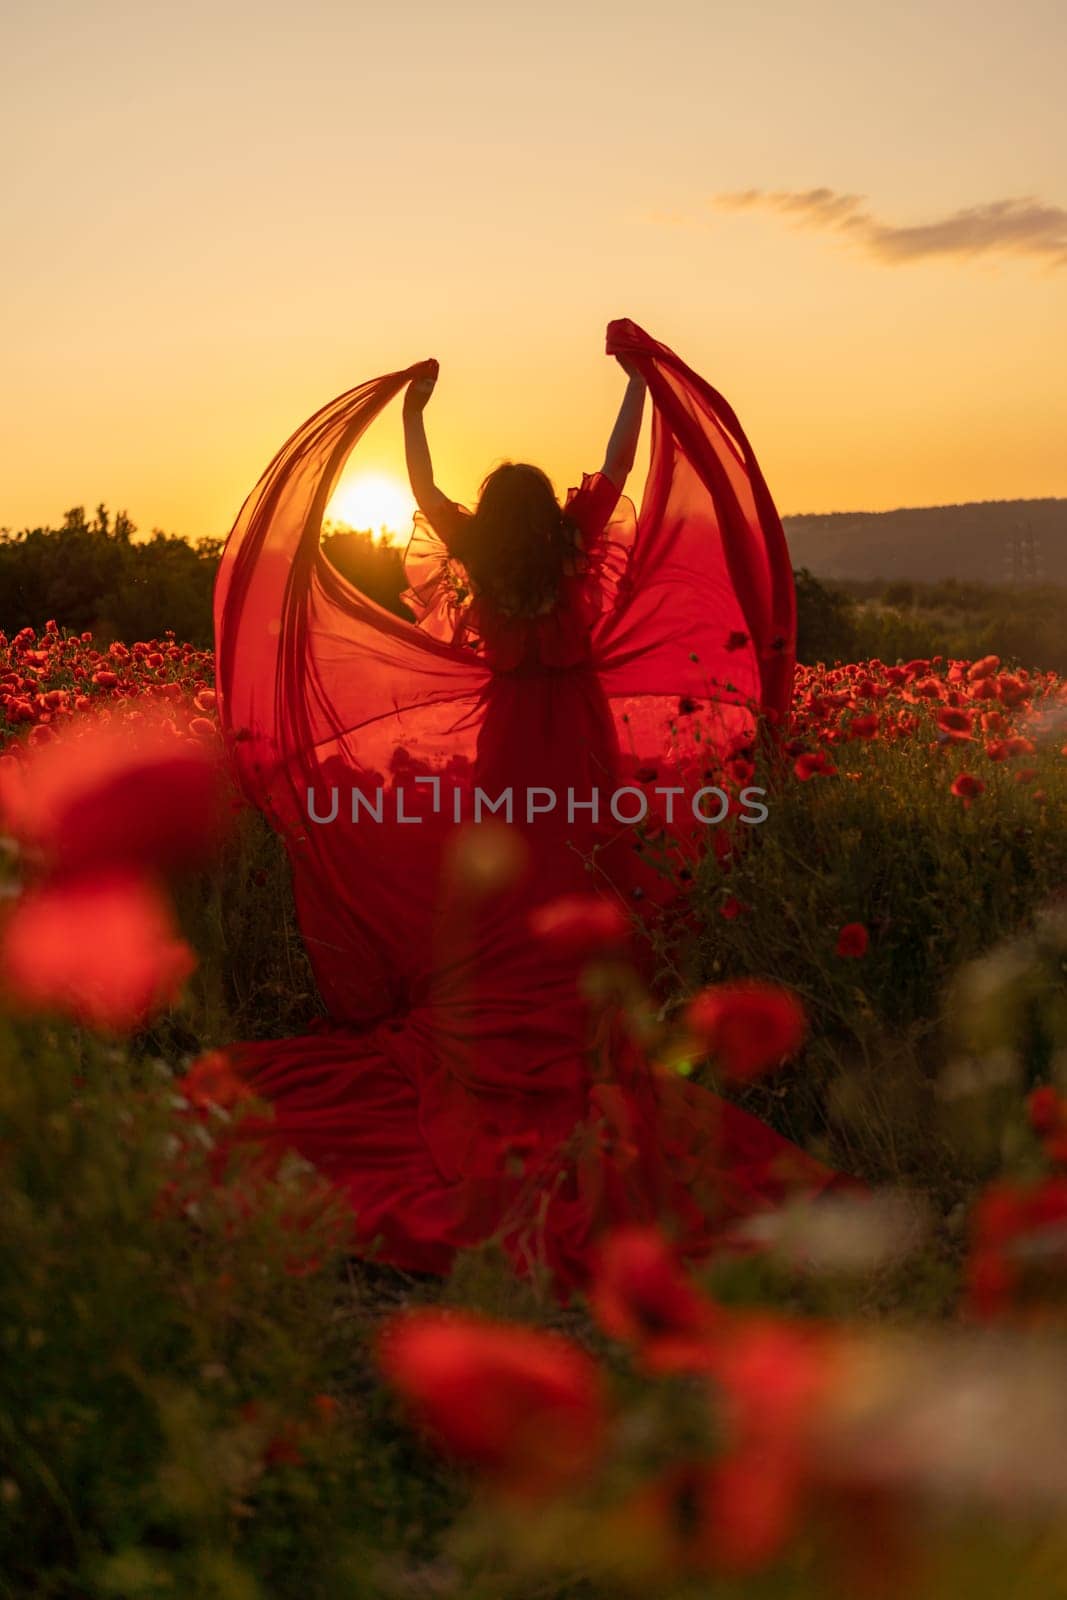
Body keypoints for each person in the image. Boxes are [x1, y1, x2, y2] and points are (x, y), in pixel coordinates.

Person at [213, 319, 845, 1301]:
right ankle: (583, 1016)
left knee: (511, 889)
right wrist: (636, 379)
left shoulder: (487, 555)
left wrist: (414, 413)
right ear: (547, 513)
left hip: (510, 749)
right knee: (582, 873)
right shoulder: (571, 546)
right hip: (579, 749)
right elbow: (615, 456)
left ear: (491, 517)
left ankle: (507, 1017)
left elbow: (421, 495)